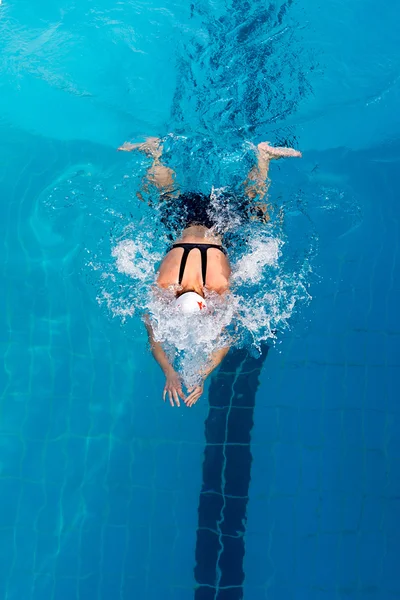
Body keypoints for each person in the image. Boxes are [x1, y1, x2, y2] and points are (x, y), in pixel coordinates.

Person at [118, 136, 302, 407]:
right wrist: (171, 371)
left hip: (220, 227)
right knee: (167, 195)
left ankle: (263, 160)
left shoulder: (216, 286)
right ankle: (155, 154)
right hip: (186, 222)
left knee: (259, 212)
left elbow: (224, 338)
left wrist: (200, 375)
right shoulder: (166, 283)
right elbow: (154, 335)